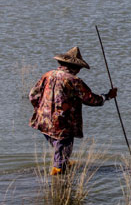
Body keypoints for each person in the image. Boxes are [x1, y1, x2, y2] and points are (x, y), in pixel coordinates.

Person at [29, 46, 117, 175]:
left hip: (43, 120)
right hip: (62, 124)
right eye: (79, 68)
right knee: (62, 150)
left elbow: (32, 95)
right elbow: (91, 99)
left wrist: (42, 110)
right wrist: (107, 96)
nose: (79, 71)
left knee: (59, 148)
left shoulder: (48, 75)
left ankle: (62, 165)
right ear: (74, 67)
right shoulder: (73, 80)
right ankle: (58, 176)